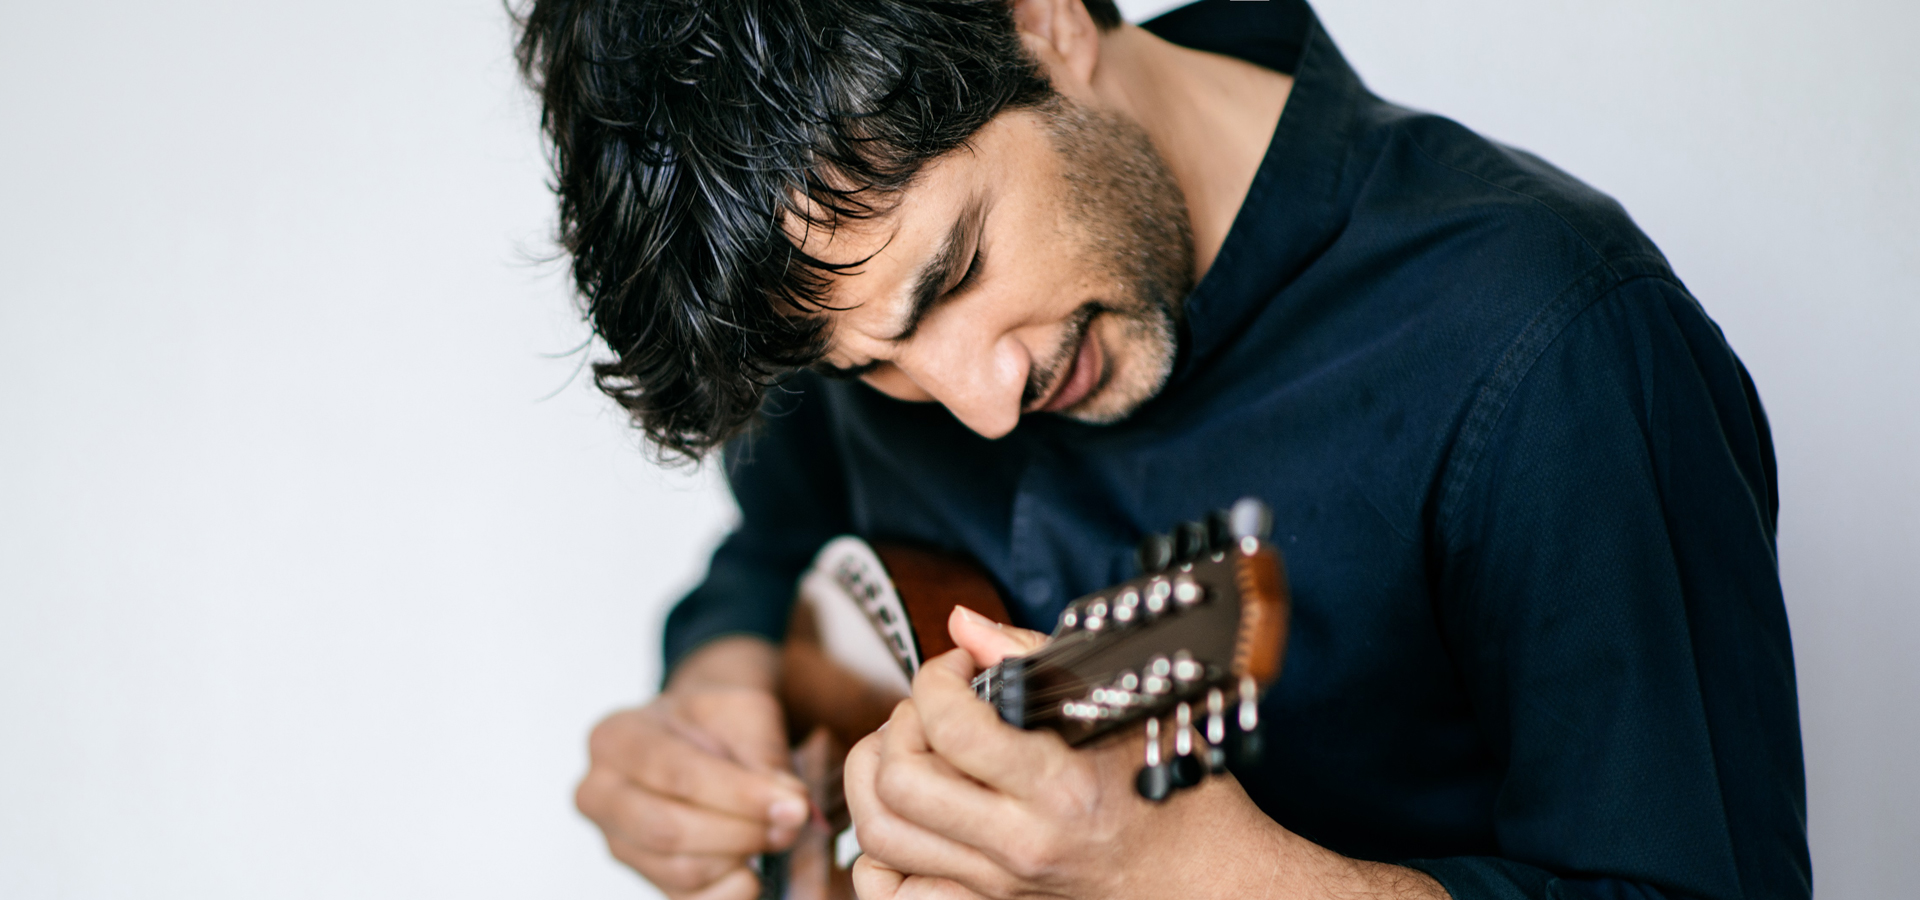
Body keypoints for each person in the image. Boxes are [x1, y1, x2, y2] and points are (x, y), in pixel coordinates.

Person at [514, 0, 1810, 898]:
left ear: (1044, 23)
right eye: (868, 371)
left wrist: (1202, 878)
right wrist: (717, 706)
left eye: (956, 274)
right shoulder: (848, 278)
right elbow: (778, 541)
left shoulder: (1554, 343)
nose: (976, 404)